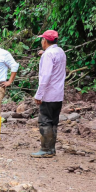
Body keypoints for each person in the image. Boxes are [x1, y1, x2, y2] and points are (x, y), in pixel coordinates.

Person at [31, 30, 66, 158]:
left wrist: (39, 95)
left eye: (42, 40)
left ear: (45, 41)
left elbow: (45, 76)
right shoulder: (60, 51)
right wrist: (44, 54)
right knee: (53, 121)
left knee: (45, 121)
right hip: (58, 94)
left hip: (49, 94)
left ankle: (45, 149)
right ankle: (51, 149)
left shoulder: (48, 55)